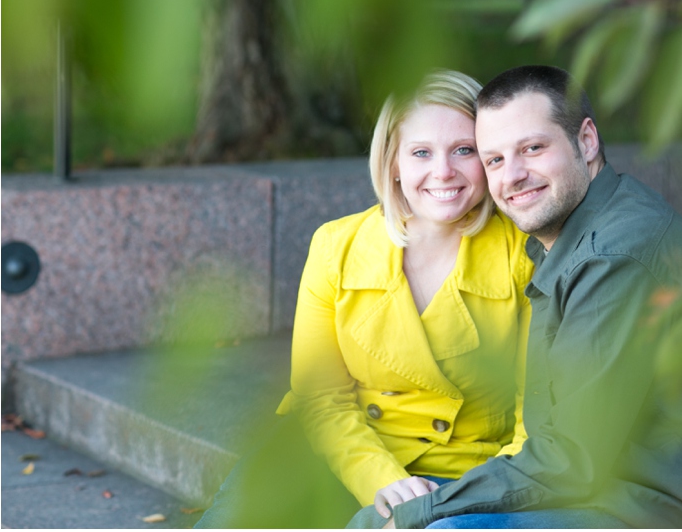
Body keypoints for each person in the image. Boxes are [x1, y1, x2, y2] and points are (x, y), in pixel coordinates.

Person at [350, 65, 682, 529]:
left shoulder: (614, 255)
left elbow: (570, 458)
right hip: (604, 484)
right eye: (494, 160)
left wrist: (423, 511)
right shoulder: (570, 239)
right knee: (370, 519)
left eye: (532, 148)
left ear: (586, 141)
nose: (513, 176)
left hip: (664, 503)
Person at [194, 70, 531, 528]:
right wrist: (380, 479)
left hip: (465, 472)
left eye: (464, 150)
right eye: (420, 153)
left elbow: (536, 418)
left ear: (488, 156)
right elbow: (320, 397)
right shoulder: (337, 245)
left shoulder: (523, 252)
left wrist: (471, 498)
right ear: (392, 162)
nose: (443, 171)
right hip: (339, 451)